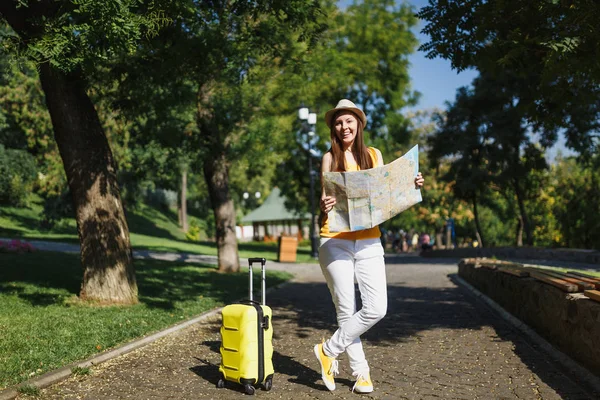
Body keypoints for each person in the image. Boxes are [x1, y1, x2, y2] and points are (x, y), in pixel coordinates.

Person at [314, 99, 424, 393]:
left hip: (368, 239)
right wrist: (325, 204)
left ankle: (328, 350)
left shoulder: (374, 155)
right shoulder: (328, 158)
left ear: (358, 124)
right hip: (334, 240)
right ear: (334, 128)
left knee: (376, 308)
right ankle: (362, 374)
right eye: (338, 122)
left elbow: (387, 194)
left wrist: (412, 184)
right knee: (346, 309)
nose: (344, 127)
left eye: (349, 121)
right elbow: (325, 203)